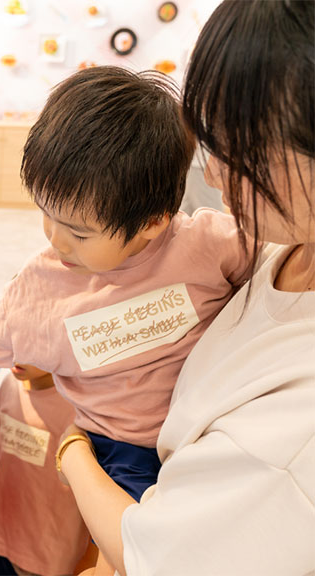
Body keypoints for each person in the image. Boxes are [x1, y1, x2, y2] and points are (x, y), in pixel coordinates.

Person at [0, 66, 253, 574]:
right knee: (137, 553)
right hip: (116, 449)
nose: (55, 239)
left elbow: (274, 261)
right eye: (45, 213)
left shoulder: (207, 244)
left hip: (201, 436)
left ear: (155, 220)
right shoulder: (44, 286)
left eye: (79, 231)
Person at [55, 2, 315, 575]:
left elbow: (156, 555)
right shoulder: (269, 249)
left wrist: (71, 447)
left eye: (242, 148)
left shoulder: (293, 438)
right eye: (208, 140)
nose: (215, 173)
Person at [0, 364, 94, 576]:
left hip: (47, 553)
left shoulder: (80, 408)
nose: (17, 355)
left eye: (29, 344)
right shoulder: (10, 385)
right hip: (1, 537)